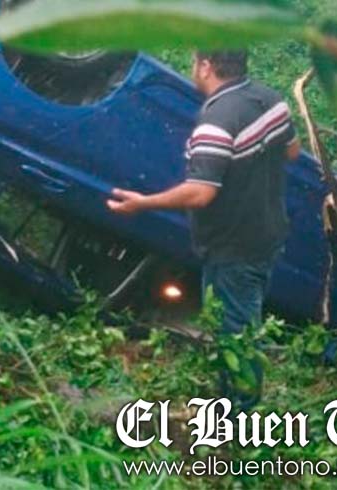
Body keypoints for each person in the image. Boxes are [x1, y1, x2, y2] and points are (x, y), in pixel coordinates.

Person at [107, 50, 301, 408]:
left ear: (207, 66)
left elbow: (200, 192)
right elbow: (292, 152)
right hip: (267, 234)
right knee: (239, 324)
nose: (192, 68)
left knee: (237, 337)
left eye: (194, 61)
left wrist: (142, 204)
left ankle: (240, 422)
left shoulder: (216, 121)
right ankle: (232, 402)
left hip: (234, 246)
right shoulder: (270, 100)